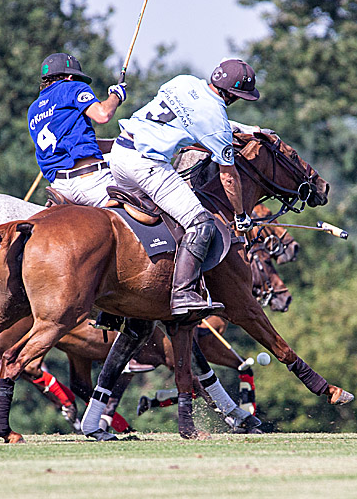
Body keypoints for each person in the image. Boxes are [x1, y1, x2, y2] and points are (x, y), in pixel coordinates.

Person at [111, 58, 261, 319]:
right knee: (200, 223)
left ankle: (118, 297)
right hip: (147, 165)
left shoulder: (184, 81)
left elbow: (197, 117)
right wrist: (240, 215)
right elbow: (228, 176)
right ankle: (183, 293)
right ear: (234, 96)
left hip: (119, 154)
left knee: (147, 223)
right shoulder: (215, 117)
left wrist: (242, 129)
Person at [28, 52, 126, 208]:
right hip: (90, 182)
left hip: (59, 189)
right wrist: (116, 96)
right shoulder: (71, 87)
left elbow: (73, 142)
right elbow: (103, 115)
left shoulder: (33, 109)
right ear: (70, 77)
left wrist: (121, 144)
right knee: (144, 207)